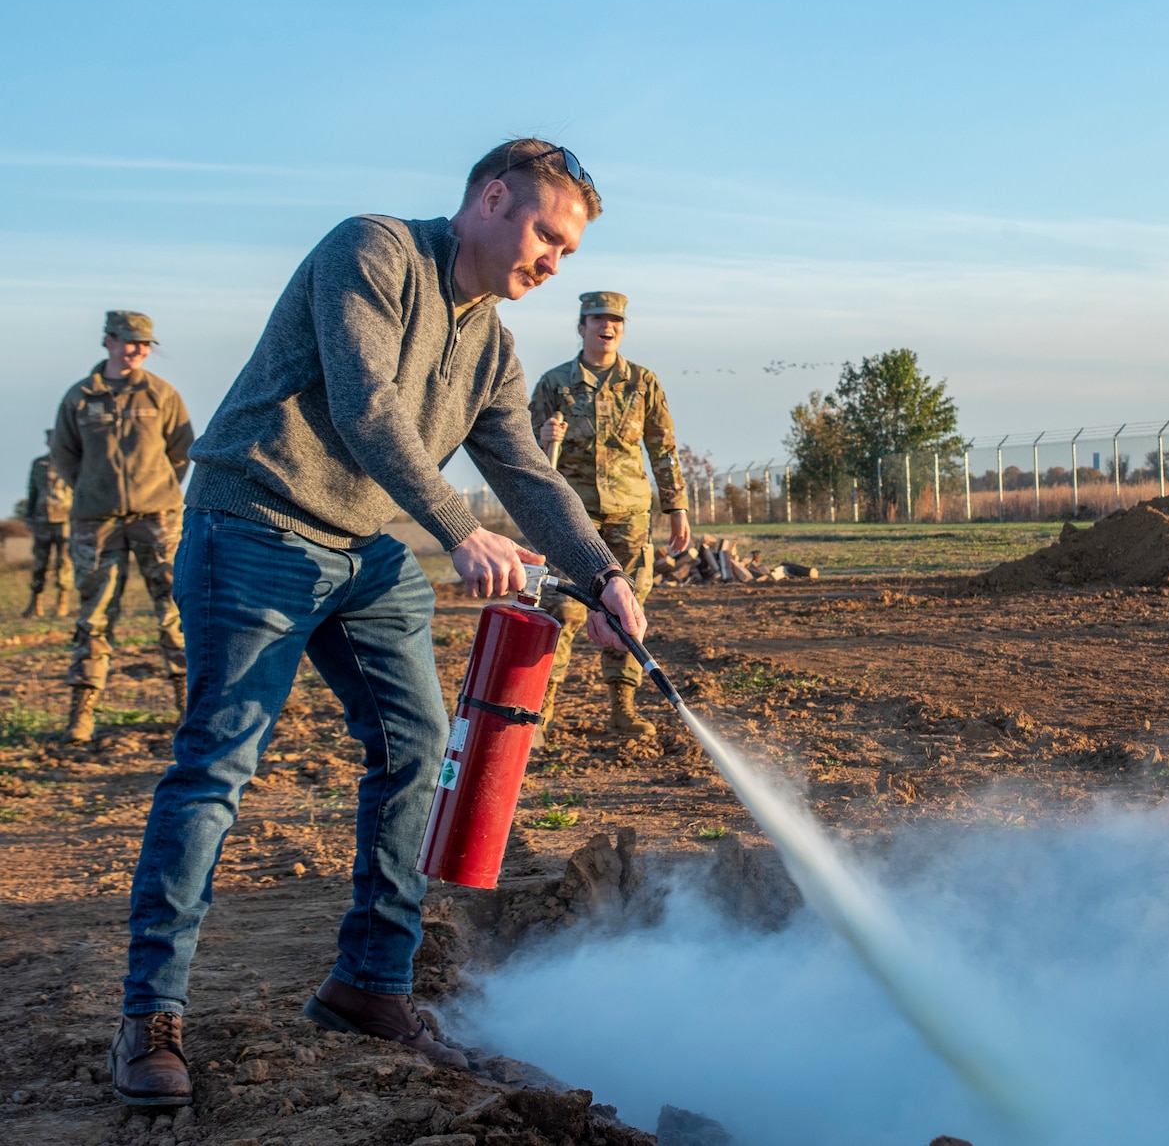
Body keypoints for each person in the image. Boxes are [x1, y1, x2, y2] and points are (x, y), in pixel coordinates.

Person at [109, 140, 649, 1109]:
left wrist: (603, 576)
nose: (553, 264)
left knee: (415, 753)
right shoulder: (373, 252)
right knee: (217, 767)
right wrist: (457, 530)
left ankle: (371, 984)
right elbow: (368, 405)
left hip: (362, 553)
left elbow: (528, 474)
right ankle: (151, 1016)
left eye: (568, 253)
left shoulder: (491, 344)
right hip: (255, 526)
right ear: (491, 199)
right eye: (546, 236)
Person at [529, 291, 692, 740]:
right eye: (598, 319)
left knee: (626, 612)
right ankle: (538, 714)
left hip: (629, 516)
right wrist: (543, 437)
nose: (608, 326)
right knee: (560, 610)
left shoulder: (643, 383)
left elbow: (664, 447)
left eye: (616, 320)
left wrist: (676, 505)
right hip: (570, 516)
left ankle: (623, 708)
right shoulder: (554, 384)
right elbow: (519, 452)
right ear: (581, 326)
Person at [50, 312, 194, 742]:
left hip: (158, 518)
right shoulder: (80, 398)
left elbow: (181, 452)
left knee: (175, 610)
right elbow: (65, 455)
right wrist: (96, 493)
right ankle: (83, 710)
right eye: (130, 342)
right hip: (97, 522)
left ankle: (188, 706)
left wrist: (156, 491)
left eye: (145, 344)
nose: (138, 350)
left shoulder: (161, 394)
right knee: (94, 616)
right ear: (108, 341)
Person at [23, 429, 73, 618]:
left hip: (65, 521)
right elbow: (32, 492)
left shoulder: (70, 462)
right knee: (40, 563)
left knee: (64, 563)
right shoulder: (39, 464)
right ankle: (36, 602)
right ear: (47, 442)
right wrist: (29, 519)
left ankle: (63, 601)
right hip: (42, 520)